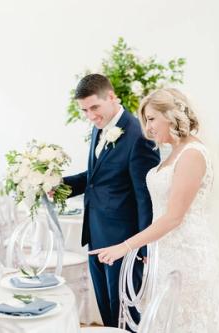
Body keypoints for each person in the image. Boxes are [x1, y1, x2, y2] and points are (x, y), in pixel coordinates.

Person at [89, 88, 219, 332]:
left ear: (172, 115)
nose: (147, 128)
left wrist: (126, 246)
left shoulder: (192, 154)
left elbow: (174, 217)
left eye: (152, 119)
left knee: (190, 322)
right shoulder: (175, 151)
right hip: (168, 252)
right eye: (145, 121)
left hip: (189, 256)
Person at [62, 74, 160, 327]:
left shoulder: (138, 134)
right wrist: (57, 187)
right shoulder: (99, 128)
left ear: (112, 97)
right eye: (84, 110)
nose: (90, 116)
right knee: (107, 312)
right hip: (96, 235)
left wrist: (145, 246)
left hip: (124, 241)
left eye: (94, 107)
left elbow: (145, 195)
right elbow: (94, 178)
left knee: (125, 315)